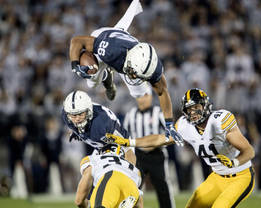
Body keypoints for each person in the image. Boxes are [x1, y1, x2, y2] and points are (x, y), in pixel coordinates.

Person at [105, 88, 256, 208]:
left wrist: (234, 162)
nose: (193, 113)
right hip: (217, 177)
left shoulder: (219, 121)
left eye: (196, 107)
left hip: (241, 176)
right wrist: (129, 142)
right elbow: (159, 139)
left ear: (205, 105)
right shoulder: (185, 125)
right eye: (189, 110)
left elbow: (249, 151)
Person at [69, 0, 184, 146]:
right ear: (129, 60)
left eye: (140, 75)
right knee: (91, 80)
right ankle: (105, 76)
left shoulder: (153, 68)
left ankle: (106, 74)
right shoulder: (110, 50)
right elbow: (77, 41)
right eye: (133, 72)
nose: (134, 76)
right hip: (107, 41)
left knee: (139, 93)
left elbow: (162, 92)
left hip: (122, 52)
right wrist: (75, 65)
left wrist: (169, 124)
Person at [123, 87, 175, 208]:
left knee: (163, 187)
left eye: (146, 95)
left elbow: (170, 133)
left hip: (157, 154)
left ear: (151, 96)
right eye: (140, 96)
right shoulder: (131, 114)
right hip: (138, 156)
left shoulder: (159, 112)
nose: (142, 99)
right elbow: (124, 135)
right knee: (132, 186)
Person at [61, 90, 136, 164]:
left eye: (80, 114)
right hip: (100, 146)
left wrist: (130, 167)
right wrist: (78, 133)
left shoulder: (101, 123)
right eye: (74, 115)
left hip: (115, 143)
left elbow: (126, 145)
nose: (77, 119)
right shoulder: (66, 116)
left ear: (89, 111)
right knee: (86, 169)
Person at [75, 143, 143, 208]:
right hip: (132, 188)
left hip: (111, 177)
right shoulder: (134, 169)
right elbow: (139, 201)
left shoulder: (94, 159)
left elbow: (79, 201)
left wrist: (85, 205)